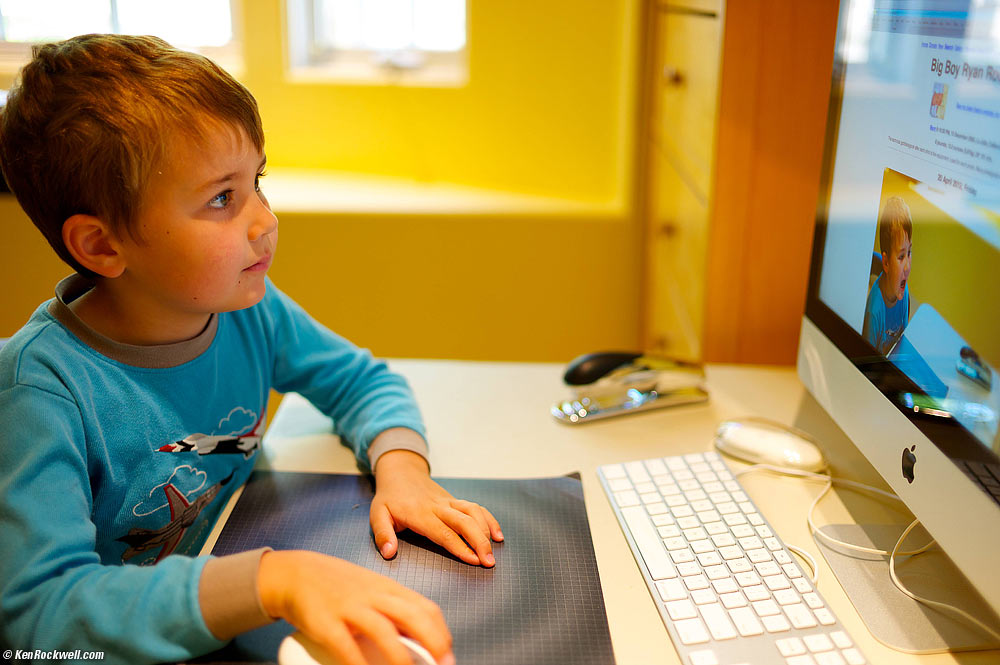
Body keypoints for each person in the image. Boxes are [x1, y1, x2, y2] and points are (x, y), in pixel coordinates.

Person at [0, 34, 502, 665]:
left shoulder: (248, 311)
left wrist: (404, 473)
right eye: (221, 198)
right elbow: (42, 616)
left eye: (257, 181)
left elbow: (360, 381)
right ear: (102, 246)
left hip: (239, 598)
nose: (265, 221)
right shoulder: (38, 395)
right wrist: (269, 581)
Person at [862, 195, 912, 354]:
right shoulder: (874, 311)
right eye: (901, 256)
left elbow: (902, 339)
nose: (908, 266)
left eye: (909, 252)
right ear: (886, 263)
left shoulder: (904, 292)